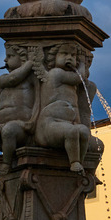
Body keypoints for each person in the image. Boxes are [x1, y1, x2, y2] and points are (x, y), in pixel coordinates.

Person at [35, 43, 93, 172]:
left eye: (73, 55)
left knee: (83, 131)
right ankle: (74, 162)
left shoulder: (71, 83)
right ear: (52, 58)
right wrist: (82, 63)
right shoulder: (56, 73)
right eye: (64, 54)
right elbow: (79, 77)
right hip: (49, 124)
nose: (70, 58)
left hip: (67, 123)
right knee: (71, 132)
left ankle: (80, 162)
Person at [0, 43, 36, 173]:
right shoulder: (3, 79)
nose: (5, 60)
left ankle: (7, 163)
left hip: (23, 126)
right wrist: (30, 63)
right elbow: (13, 79)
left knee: (9, 131)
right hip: (2, 124)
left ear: (22, 58)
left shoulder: (31, 80)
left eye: (10, 56)